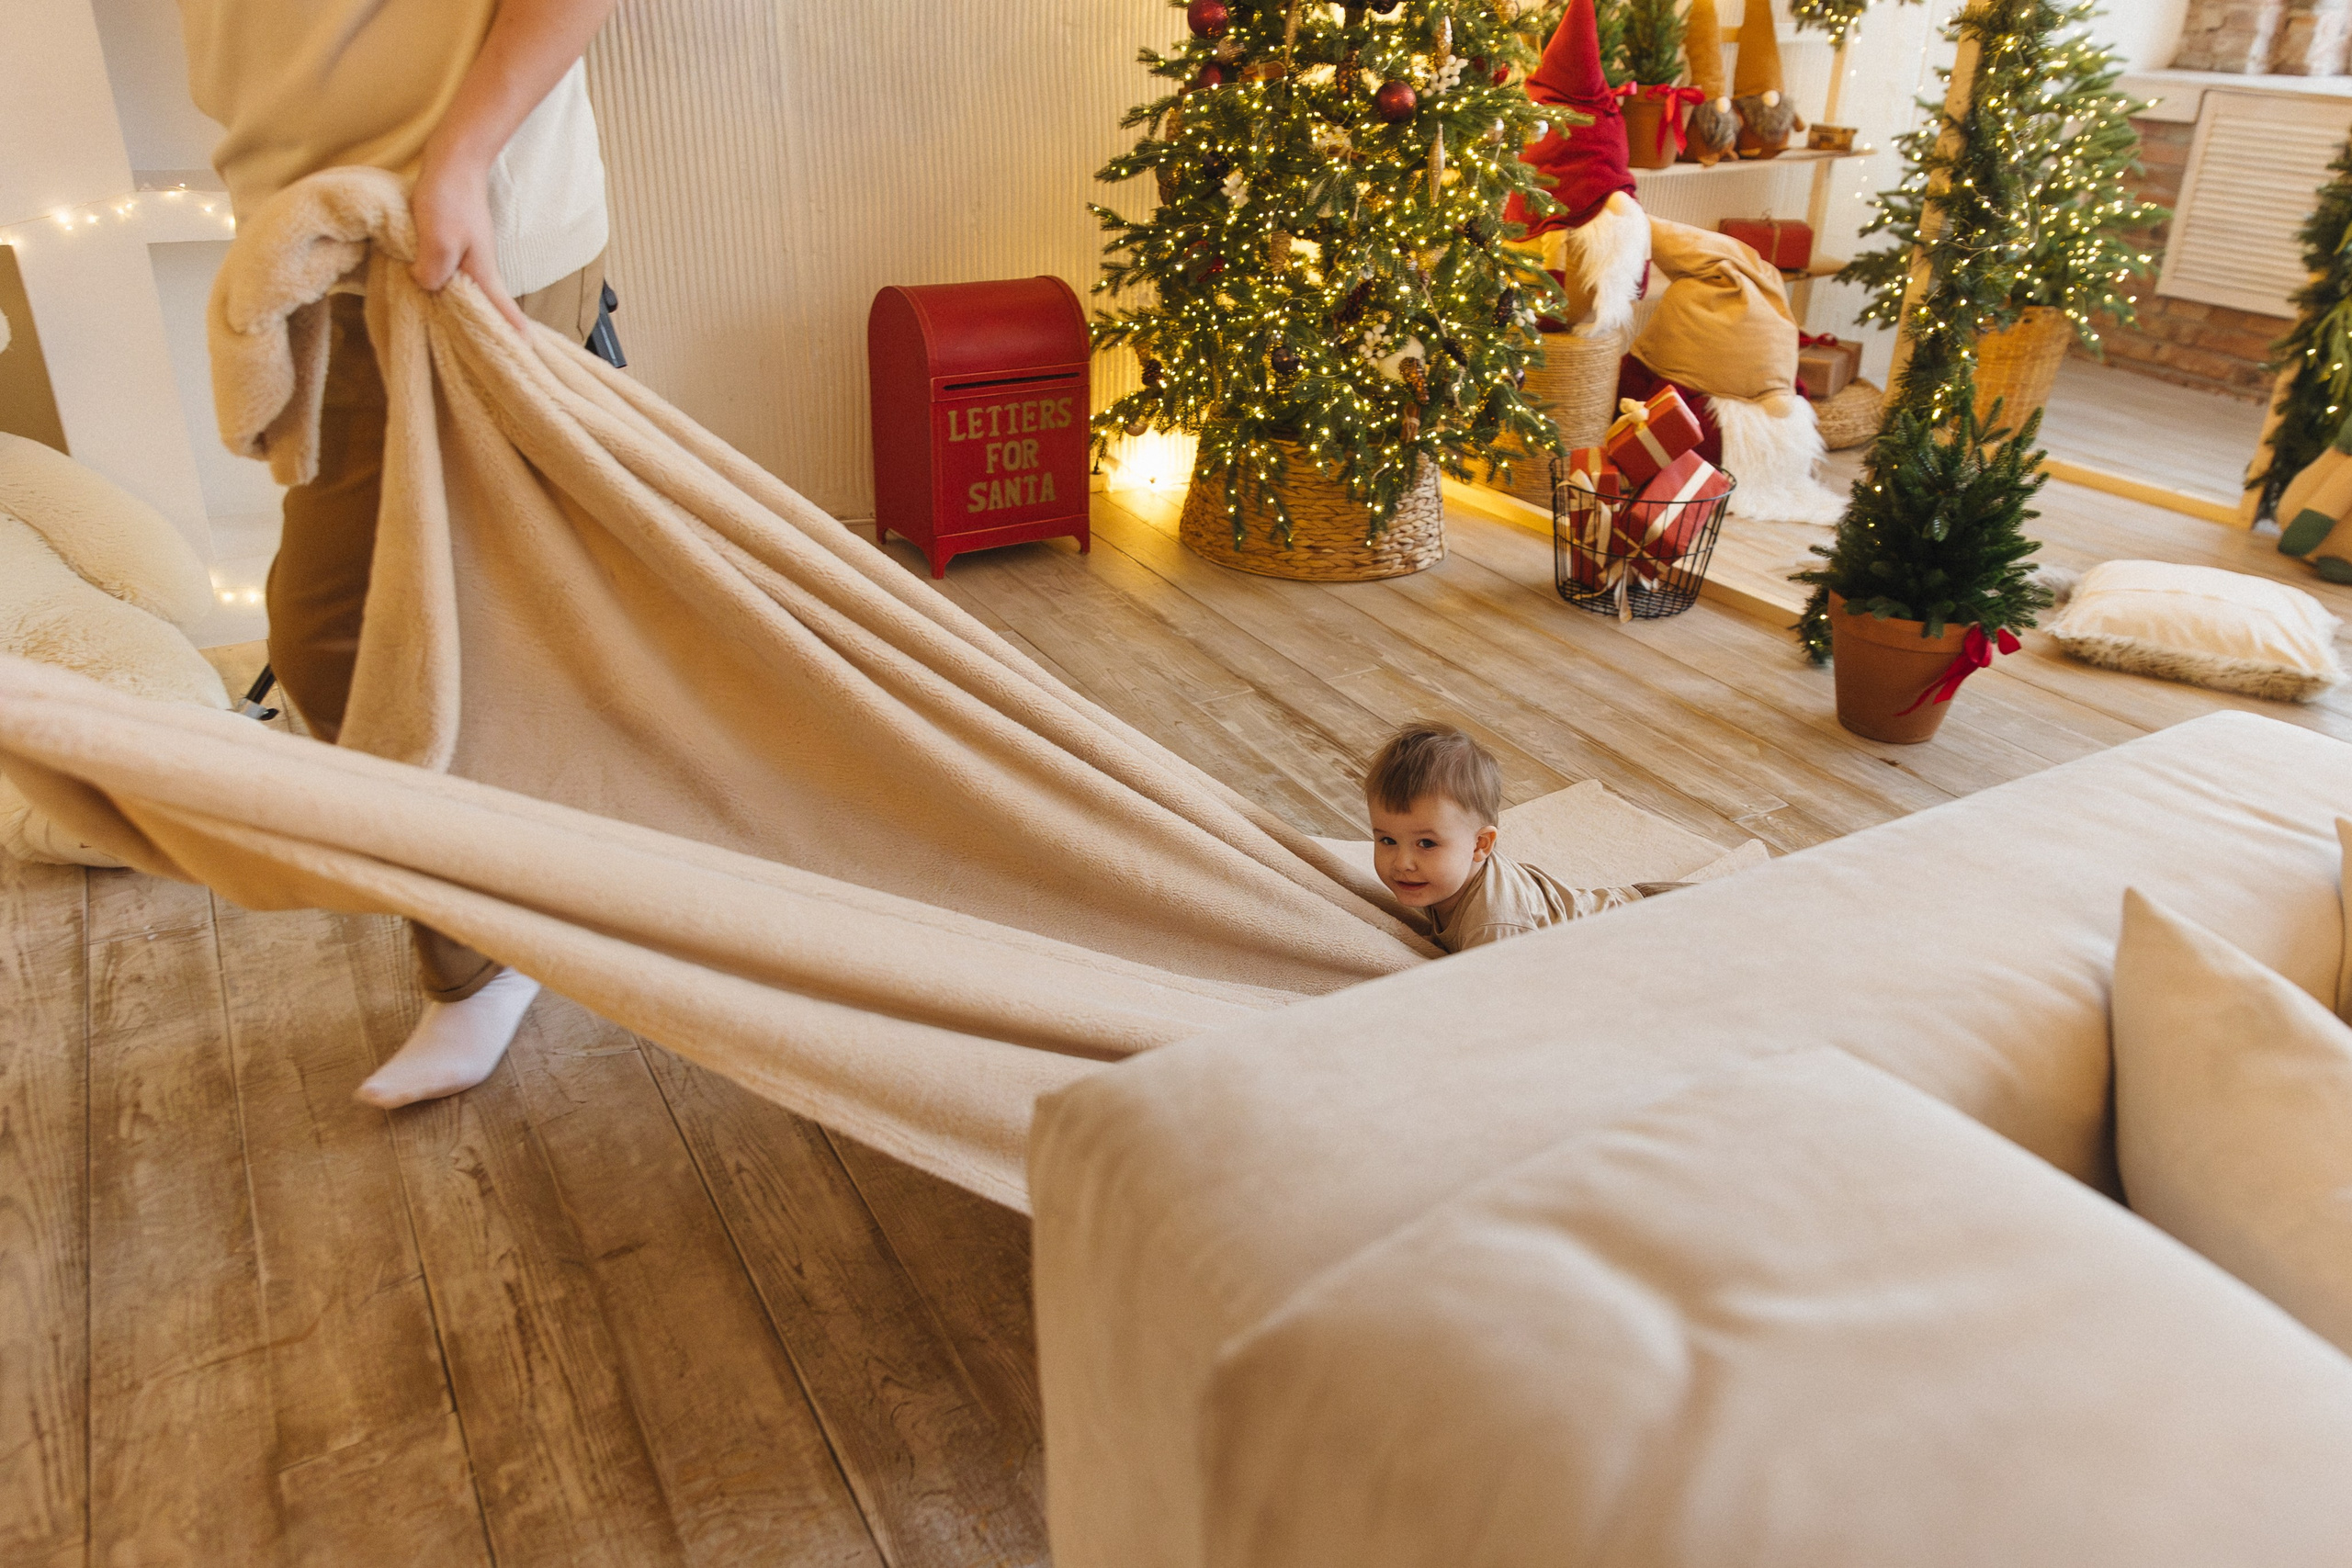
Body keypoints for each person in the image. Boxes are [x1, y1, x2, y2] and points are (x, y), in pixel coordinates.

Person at [176, 0, 623, 1106]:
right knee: (479, 616)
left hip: (442, 226)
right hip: (319, 224)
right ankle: (529, 909)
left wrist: (461, 160)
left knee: (337, 641)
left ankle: (494, 949)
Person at [1364, 722, 1667, 954]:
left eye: (1427, 844)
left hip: (1649, 925)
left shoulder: (1493, 927)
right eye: (1388, 841)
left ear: (1480, 845)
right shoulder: (1447, 879)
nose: (1402, 863)